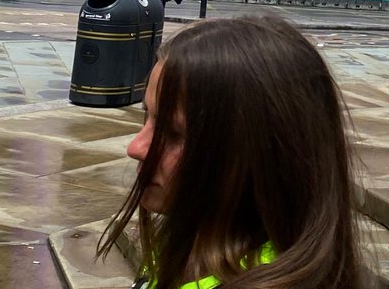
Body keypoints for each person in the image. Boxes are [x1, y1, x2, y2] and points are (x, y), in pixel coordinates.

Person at [100, 15, 364, 289]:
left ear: (263, 155)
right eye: (148, 117)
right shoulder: (189, 241)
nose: (136, 147)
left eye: (175, 133)